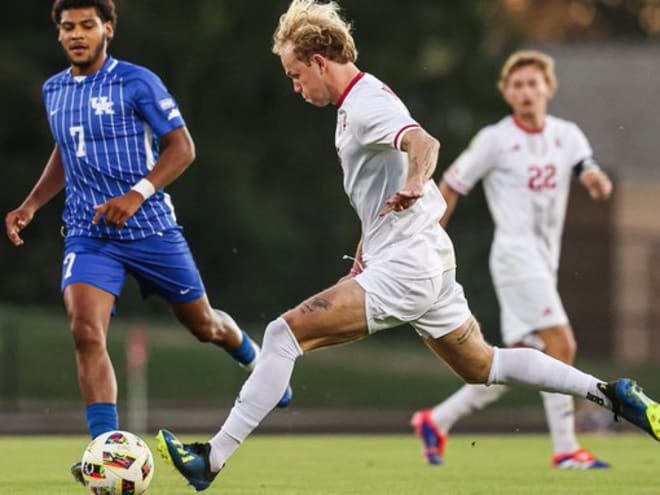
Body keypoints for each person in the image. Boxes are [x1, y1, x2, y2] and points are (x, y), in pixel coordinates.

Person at [156, 1, 659, 492]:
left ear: (319, 62)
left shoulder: (367, 104)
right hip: (423, 256)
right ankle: (610, 394)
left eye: (294, 74)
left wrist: (418, 180)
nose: (295, 85)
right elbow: (379, 189)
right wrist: (363, 251)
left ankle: (211, 459)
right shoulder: (358, 99)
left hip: (409, 265)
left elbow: (425, 144)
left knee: (283, 334)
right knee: (486, 365)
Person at [4, 0, 291, 487]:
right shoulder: (54, 90)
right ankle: (105, 448)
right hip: (89, 235)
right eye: (68, 27)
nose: (77, 34)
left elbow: (183, 148)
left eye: (87, 25)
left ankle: (257, 362)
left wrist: (136, 196)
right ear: (59, 35)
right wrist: (31, 204)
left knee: (203, 325)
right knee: (84, 331)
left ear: (107, 29)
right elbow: (65, 151)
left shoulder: (137, 82)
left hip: (151, 228)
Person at [410, 50, 614, 470]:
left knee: (518, 360)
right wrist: (428, 236)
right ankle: (566, 450)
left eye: (532, 84)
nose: (525, 92)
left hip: (544, 261)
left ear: (548, 89)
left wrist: (595, 180)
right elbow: (450, 185)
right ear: (506, 93)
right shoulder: (495, 139)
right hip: (514, 258)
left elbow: (586, 167)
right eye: (516, 85)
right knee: (561, 345)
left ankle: (437, 420)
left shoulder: (568, 134)